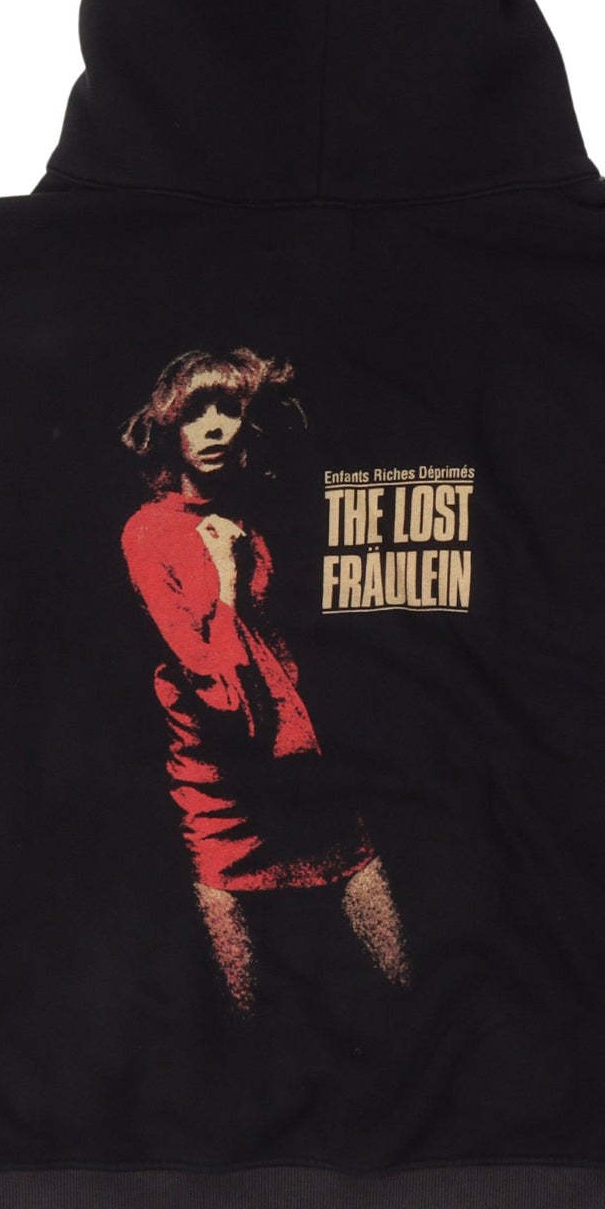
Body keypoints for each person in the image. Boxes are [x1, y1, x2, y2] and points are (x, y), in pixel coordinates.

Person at [119, 347, 411, 1010]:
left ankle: (414, 1025)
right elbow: (211, 678)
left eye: (229, 411)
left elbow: (279, 651)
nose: (214, 428)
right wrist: (226, 577)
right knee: (244, 1001)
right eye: (195, 413)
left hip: (293, 758)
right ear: (169, 425)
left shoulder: (248, 521)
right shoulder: (148, 532)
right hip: (218, 773)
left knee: (376, 918)